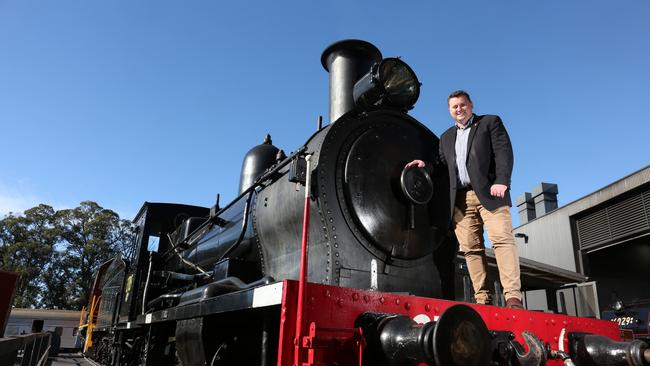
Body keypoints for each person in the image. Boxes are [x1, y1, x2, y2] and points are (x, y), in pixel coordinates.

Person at [407, 90, 523, 309]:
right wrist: (426, 165)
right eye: (454, 107)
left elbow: (503, 152)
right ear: (450, 111)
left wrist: (502, 181)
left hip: (491, 193)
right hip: (460, 200)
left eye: (462, 105)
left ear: (470, 105)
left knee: (502, 240)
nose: (459, 109)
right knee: (471, 249)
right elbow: (441, 165)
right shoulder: (446, 137)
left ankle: (513, 297)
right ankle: (483, 298)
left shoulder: (490, 122)